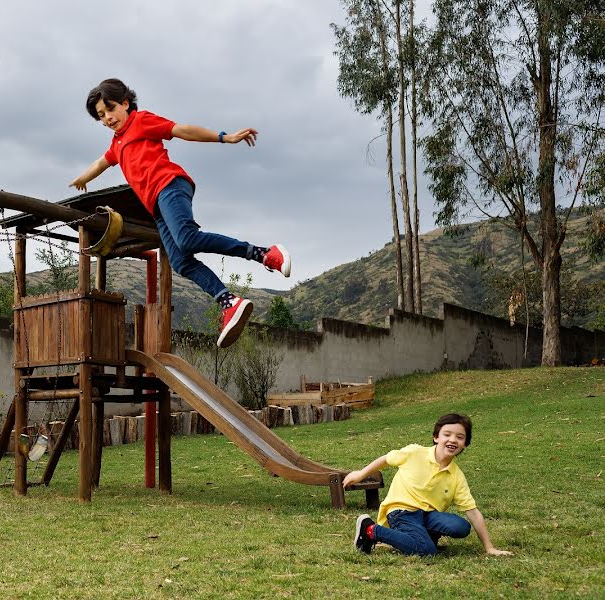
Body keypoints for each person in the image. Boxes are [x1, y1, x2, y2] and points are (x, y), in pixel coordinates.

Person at [70, 78, 292, 348]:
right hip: (157, 206)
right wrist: (84, 178)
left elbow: (181, 130)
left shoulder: (141, 121)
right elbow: (101, 162)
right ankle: (228, 302)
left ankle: (265, 254)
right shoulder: (117, 145)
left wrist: (225, 137)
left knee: (186, 238)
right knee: (180, 261)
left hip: (170, 186)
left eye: (111, 109)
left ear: (126, 103)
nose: (107, 118)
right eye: (101, 116)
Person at [343, 413, 512, 557]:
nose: (452, 440)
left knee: (461, 527)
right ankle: (371, 530)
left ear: (465, 444)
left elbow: (473, 512)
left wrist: (489, 548)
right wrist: (360, 474)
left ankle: (423, 537)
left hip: (428, 515)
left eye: (460, 437)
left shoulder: (456, 475)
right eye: (447, 434)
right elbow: (387, 459)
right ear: (436, 437)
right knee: (427, 551)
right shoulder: (415, 452)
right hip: (402, 512)